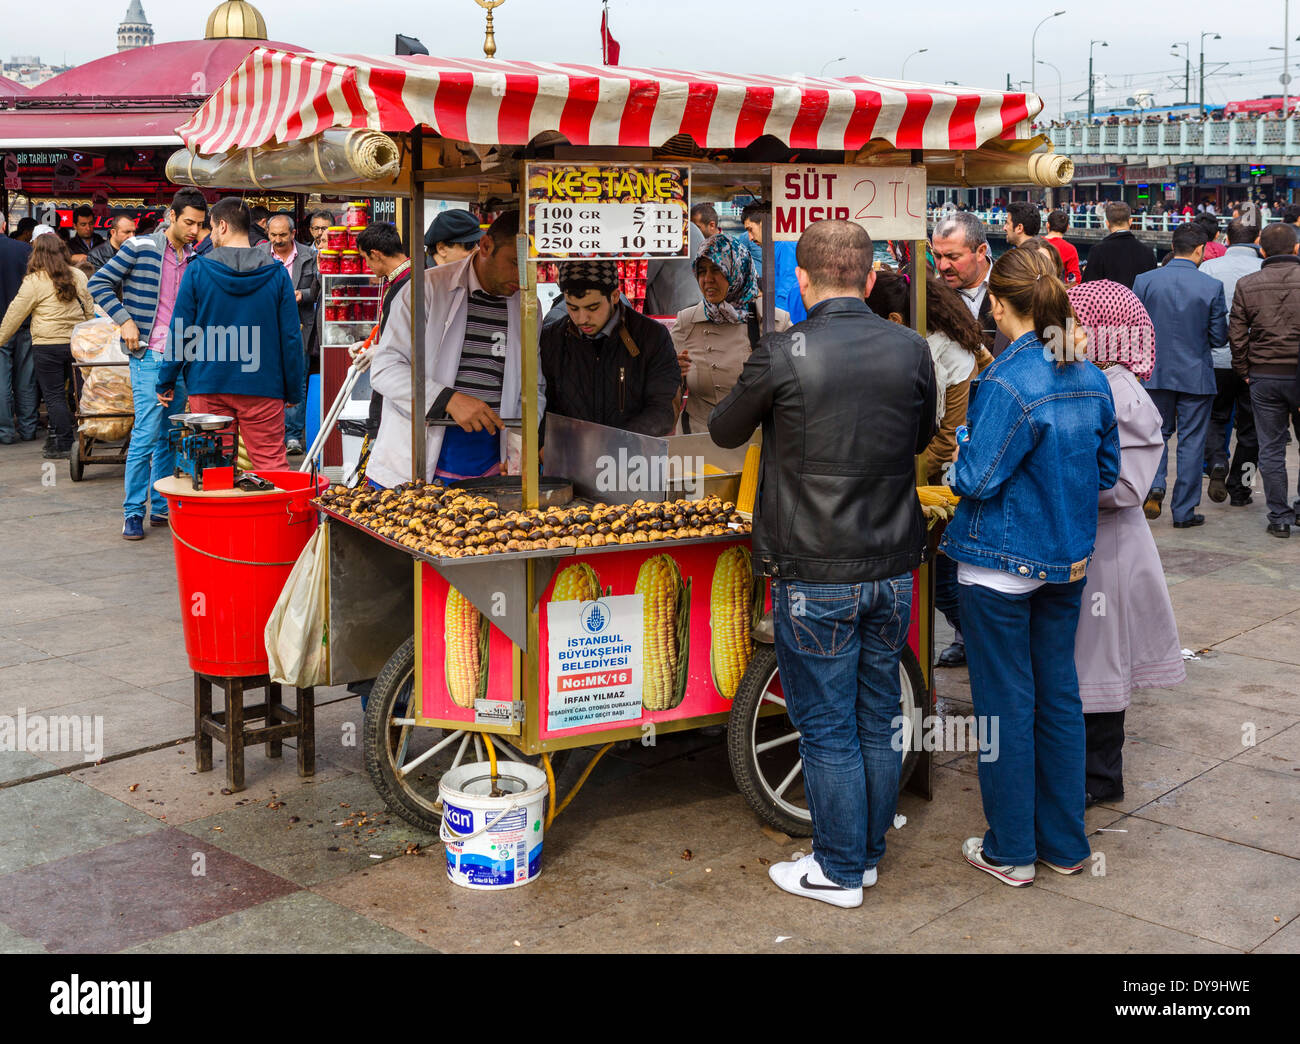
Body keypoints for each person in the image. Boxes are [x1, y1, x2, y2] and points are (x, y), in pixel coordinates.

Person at [709, 219, 937, 908]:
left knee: (828, 727)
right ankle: (863, 856)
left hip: (814, 573)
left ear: (803, 282)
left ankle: (838, 870)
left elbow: (724, 430)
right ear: (868, 279)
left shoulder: (783, 351)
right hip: (893, 567)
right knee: (873, 717)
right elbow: (924, 434)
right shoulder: (910, 349)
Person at [942, 245, 1120, 887]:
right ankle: (1065, 845)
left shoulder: (1009, 382)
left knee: (1005, 704)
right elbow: (1107, 473)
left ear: (998, 304)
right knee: (1058, 698)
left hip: (998, 567)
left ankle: (1011, 849)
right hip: (1064, 561)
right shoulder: (1089, 375)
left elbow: (977, 479)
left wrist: (961, 447)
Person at [1068, 280, 1185, 807]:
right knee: (1087, 663)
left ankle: (1099, 778)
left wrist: (1056, 479)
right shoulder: (1096, 381)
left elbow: (1127, 486)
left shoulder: (1120, 391)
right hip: (1091, 548)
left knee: (1100, 667)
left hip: (1110, 554)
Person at [867, 271, 991, 669]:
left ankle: (987, 648)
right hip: (915, 478)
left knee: (945, 582)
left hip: (945, 486)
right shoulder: (913, 344)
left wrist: (897, 472)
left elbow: (949, 440)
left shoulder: (950, 356)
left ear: (896, 321)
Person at [369, 211, 543, 488]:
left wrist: (520, 447)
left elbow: (533, 386)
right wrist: (448, 400)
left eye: (531, 267)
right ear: (486, 246)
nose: (522, 276)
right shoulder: (425, 290)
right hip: (418, 453)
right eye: (514, 263)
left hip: (489, 458)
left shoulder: (527, 305)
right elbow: (385, 369)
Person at [89, 187, 207, 540]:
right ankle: (132, 511)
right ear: (171, 216)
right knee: (144, 433)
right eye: (188, 222)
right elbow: (99, 282)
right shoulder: (140, 247)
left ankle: (160, 506)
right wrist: (124, 319)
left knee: (170, 435)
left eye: (200, 225)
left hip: (182, 358)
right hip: (149, 354)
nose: (193, 230)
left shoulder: (196, 259)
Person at [156, 197, 304, 475]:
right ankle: (276, 519)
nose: (210, 234)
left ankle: (221, 521)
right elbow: (291, 338)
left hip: (209, 383)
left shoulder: (197, 270)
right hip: (264, 385)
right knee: (271, 463)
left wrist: (166, 380)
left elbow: (181, 331)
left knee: (214, 467)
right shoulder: (277, 274)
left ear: (222, 226)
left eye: (211, 227)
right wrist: (293, 388)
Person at [1134, 223, 1226, 527]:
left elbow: (1135, 330)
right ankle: (1184, 511)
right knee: (1192, 441)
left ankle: (1154, 486)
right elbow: (1218, 337)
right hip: (1195, 375)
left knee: (1156, 435)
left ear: (1173, 247)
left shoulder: (1144, 280)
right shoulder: (1211, 287)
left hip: (1154, 372)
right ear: (1200, 250)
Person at [541, 260, 681, 436]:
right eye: (573, 308)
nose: (582, 318)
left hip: (632, 457)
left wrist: (615, 442)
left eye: (593, 307)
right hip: (570, 455)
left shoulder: (651, 336)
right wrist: (544, 444)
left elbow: (663, 407)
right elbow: (540, 403)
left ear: (615, 296)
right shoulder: (552, 338)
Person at [672, 233, 791, 435]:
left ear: (737, 270)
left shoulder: (773, 322)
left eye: (717, 269)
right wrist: (672, 372)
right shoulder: (686, 322)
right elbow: (671, 396)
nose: (707, 279)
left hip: (756, 443)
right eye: (701, 271)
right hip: (698, 442)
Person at [1229, 222, 1300, 537]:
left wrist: (1245, 370)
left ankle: (1280, 516)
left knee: (1270, 447)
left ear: (1262, 250)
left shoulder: (1247, 284)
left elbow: (1237, 335)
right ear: (1296, 248)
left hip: (1264, 376)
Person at [0, 234, 94, 459]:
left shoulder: (34, 281)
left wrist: (1, 339)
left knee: (54, 396)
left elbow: (15, 314)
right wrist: (92, 336)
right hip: (76, 344)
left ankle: (63, 442)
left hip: (47, 346)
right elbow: (90, 310)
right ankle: (88, 437)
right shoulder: (79, 275)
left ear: (37, 254)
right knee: (82, 392)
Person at [1200, 219, 1262, 507]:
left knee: (1215, 416)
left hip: (1217, 358)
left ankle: (1216, 461)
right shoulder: (1264, 270)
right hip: (1257, 363)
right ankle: (1242, 487)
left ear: (1227, 238)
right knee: (1253, 430)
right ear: (1257, 238)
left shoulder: (1210, 268)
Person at [257, 212, 319, 455]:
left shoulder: (308, 256)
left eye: (283, 235)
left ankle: (292, 435)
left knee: (296, 380)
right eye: (273, 235)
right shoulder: (259, 254)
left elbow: (318, 289)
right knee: (268, 380)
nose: (278, 240)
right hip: (267, 326)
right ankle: (271, 433)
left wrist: (301, 294)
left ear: (293, 234)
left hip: (300, 325)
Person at [352, 222, 411, 443]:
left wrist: (382, 349)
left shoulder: (410, 282)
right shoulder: (398, 279)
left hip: (401, 383)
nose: (367, 265)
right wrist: (371, 345)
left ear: (375, 254)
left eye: (365, 259)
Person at [931, 210, 998, 350]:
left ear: (981, 251)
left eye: (953, 257)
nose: (943, 266)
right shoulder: (932, 294)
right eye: (937, 256)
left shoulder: (1013, 284)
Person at [0, 212, 37, 444]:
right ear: (4, 225)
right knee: (26, 378)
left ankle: (4, 432)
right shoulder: (24, 251)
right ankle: (28, 428)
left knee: (1, 379)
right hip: (24, 323)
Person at [740, 200, 806, 323]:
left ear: (766, 223)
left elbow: (786, 293)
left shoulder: (786, 245)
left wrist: (776, 325)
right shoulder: (774, 248)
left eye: (751, 230)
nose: (750, 237)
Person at [1081, 202, 1157, 288]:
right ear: (1130, 222)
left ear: (1107, 223)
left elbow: (1088, 287)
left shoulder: (1098, 251)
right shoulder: (1148, 252)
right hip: (1139, 300)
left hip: (1109, 300)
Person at [643, 219, 705, 316]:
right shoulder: (690, 226)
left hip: (679, 306)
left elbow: (644, 276)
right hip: (698, 301)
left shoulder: (662, 229)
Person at [1044, 210, 1082, 285]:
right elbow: (1074, 280)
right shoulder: (1070, 249)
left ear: (1047, 225)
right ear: (1067, 227)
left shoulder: (1035, 243)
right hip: (1057, 290)